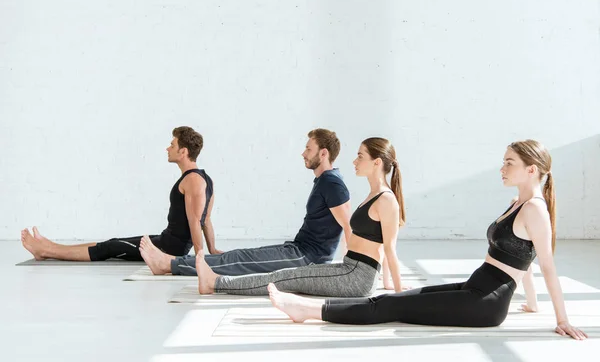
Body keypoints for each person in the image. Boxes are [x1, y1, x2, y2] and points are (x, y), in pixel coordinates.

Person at [267, 140, 588, 341]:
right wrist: (531, 305)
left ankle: (307, 309)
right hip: (475, 288)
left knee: (390, 306)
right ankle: (308, 308)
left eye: (509, 162)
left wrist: (562, 319)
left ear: (532, 170)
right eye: (503, 160)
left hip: (484, 304)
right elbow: (525, 258)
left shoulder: (534, 209)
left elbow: (545, 263)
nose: (501, 167)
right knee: (397, 299)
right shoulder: (520, 203)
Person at [194, 137, 408, 298]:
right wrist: (387, 283)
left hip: (356, 277)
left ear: (377, 162)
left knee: (282, 278)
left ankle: (215, 283)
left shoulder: (387, 200)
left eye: (360, 156)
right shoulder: (374, 195)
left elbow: (389, 248)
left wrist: (397, 292)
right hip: (349, 269)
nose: (354, 161)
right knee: (287, 274)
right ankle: (216, 281)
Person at [139, 128, 352, 276]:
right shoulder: (325, 181)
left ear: (323, 153)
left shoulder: (332, 183)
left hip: (308, 258)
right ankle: (173, 263)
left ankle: (168, 264)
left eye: (308, 149)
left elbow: (347, 225)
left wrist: (353, 267)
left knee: (241, 263)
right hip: (299, 249)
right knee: (242, 255)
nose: (303, 153)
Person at [20, 126, 218, 261]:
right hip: (166, 242)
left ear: (183, 152)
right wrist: (212, 250)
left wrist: (199, 256)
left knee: (110, 248)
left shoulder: (192, 180)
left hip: (168, 249)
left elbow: (195, 221)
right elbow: (206, 219)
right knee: (112, 243)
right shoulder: (205, 179)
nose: (168, 148)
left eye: (172, 145)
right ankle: (48, 246)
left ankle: (45, 250)